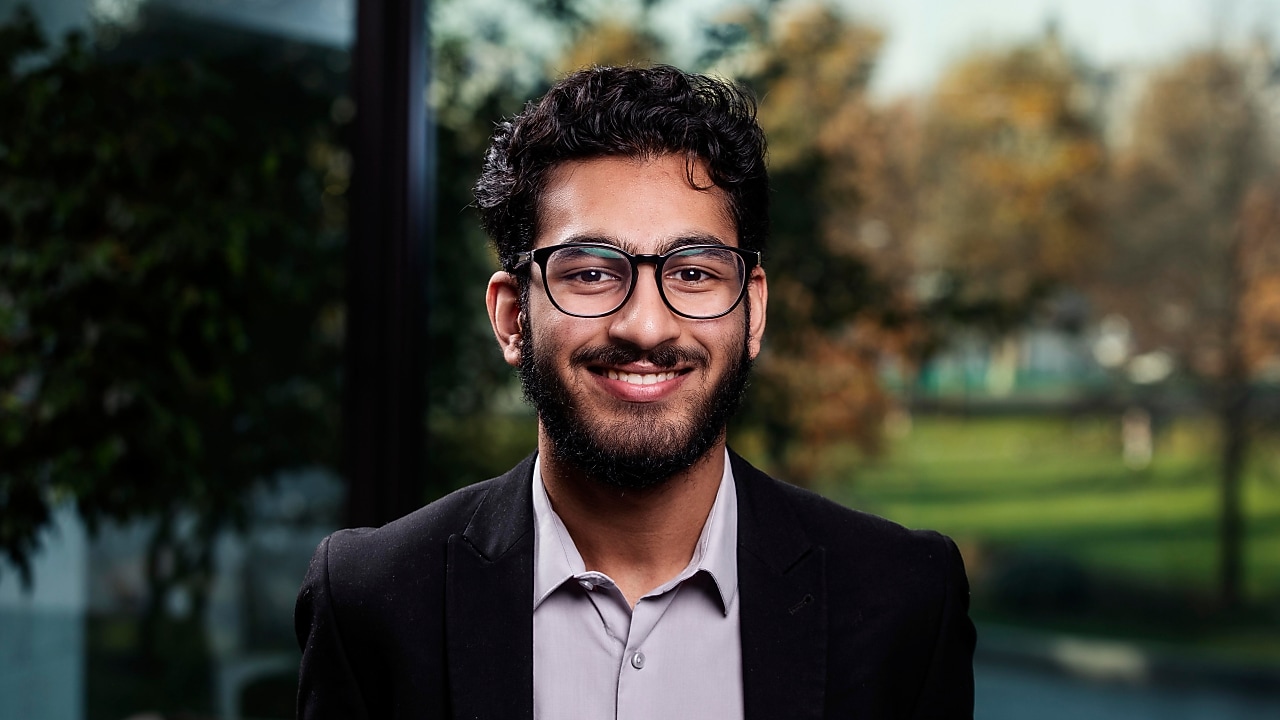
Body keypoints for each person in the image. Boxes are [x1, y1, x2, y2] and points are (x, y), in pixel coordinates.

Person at [294, 64, 975, 720]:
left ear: (753, 310)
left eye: (693, 272)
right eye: (590, 273)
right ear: (512, 317)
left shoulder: (903, 599)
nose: (646, 325)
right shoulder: (370, 601)